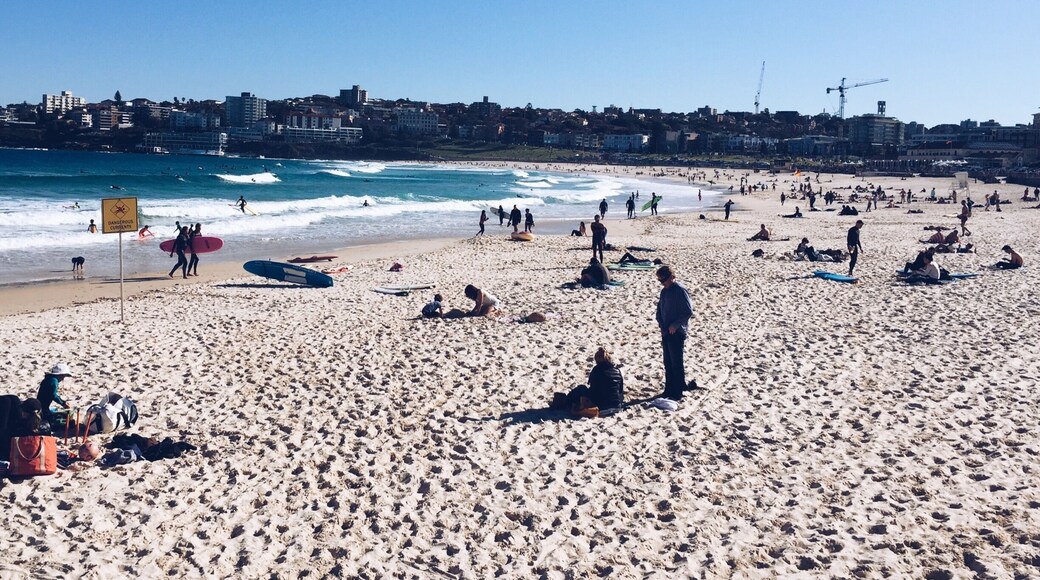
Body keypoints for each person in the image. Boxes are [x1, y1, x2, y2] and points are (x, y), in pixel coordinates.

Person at [656, 266, 693, 401]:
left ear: (672, 276)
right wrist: (660, 323)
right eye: (661, 281)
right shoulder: (664, 292)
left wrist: (675, 325)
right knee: (667, 362)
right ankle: (669, 389)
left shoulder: (680, 290)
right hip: (665, 331)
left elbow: (688, 312)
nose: (663, 283)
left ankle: (678, 391)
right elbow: (659, 310)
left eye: (664, 280)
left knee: (676, 362)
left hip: (677, 332)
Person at [564, 347, 624, 411]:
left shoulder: (596, 370)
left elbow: (593, 390)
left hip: (601, 405)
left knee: (581, 388)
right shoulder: (617, 371)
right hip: (616, 405)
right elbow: (620, 390)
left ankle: (565, 401)